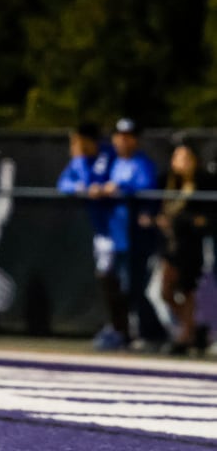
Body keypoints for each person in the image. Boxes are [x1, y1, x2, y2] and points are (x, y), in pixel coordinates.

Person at [88, 116, 160, 350]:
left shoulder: (142, 164)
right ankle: (120, 330)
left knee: (134, 286)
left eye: (128, 137)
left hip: (134, 236)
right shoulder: (111, 162)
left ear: (135, 140)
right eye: (119, 136)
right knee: (112, 284)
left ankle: (151, 331)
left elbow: (146, 188)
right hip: (112, 233)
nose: (122, 141)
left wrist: (119, 188)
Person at [55, 121, 118, 349]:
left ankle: (124, 327)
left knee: (121, 280)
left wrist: (102, 187)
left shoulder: (109, 155)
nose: (73, 146)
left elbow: (116, 181)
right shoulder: (81, 161)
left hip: (119, 228)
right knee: (106, 277)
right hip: (102, 230)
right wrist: (83, 186)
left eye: (76, 140)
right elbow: (63, 184)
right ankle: (116, 327)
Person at [153, 136, 215, 354]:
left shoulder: (204, 182)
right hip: (170, 244)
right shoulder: (168, 181)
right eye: (177, 157)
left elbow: (205, 218)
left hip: (191, 245)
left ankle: (186, 335)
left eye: (185, 157)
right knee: (165, 291)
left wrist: (187, 220)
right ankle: (192, 329)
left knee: (187, 288)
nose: (180, 162)